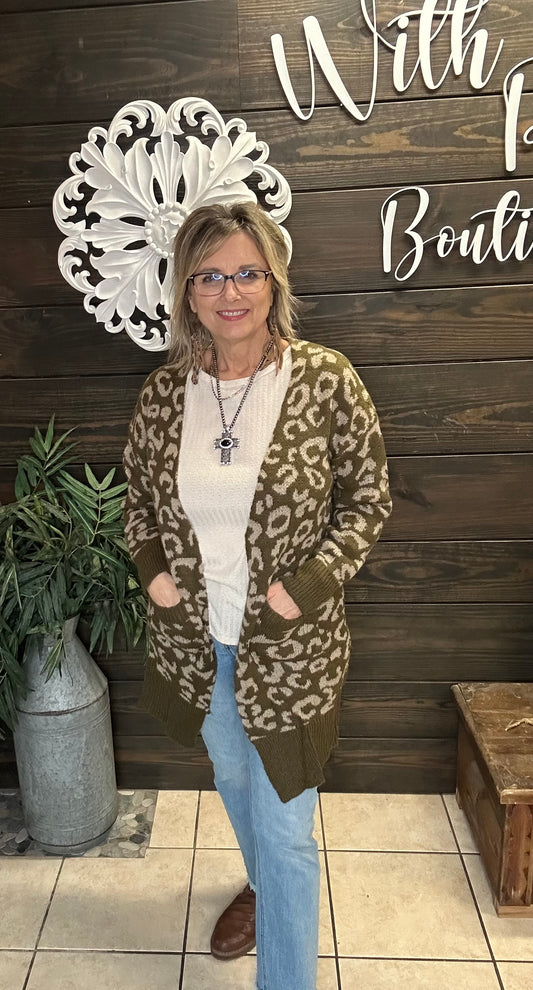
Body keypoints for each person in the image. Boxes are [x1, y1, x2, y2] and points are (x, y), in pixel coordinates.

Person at [123, 200, 392, 990]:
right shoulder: (166, 394)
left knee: (286, 836)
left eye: (246, 272)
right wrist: (155, 576)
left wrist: (301, 590)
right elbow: (137, 499)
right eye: (208, 275)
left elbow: (369, 499)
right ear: (186, 292)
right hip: (196, 645)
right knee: (234, 783)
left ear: (274, 281)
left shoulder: (323, 379)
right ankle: (258, 886)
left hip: (290, 650)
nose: (229, 291)